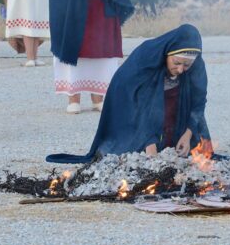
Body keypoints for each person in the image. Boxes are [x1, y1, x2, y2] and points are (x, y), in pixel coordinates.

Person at [47, 24, 212, 164]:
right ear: (168, 52)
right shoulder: (147, 56)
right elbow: (138, 103)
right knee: (124, 152)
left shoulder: (196, 65)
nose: (181, 69)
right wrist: (149, 143)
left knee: (197, 152)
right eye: (177, 63)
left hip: (172, 116)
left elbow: (198, 102)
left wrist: (188, 134)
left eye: (187, 65)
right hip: (134, 115)